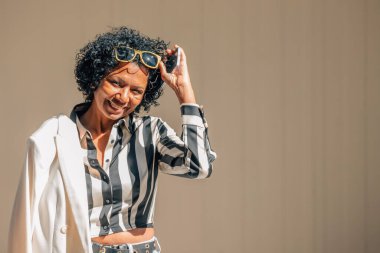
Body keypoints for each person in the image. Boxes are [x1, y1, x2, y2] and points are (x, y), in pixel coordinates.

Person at [8, 26, 217, 253]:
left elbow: (199, 166)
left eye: (136, 91)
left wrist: (184, 91)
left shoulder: (150, 132)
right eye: (116, 83)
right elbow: (26, 218)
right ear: (94, 80)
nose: (124, 97)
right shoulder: (53, 137)